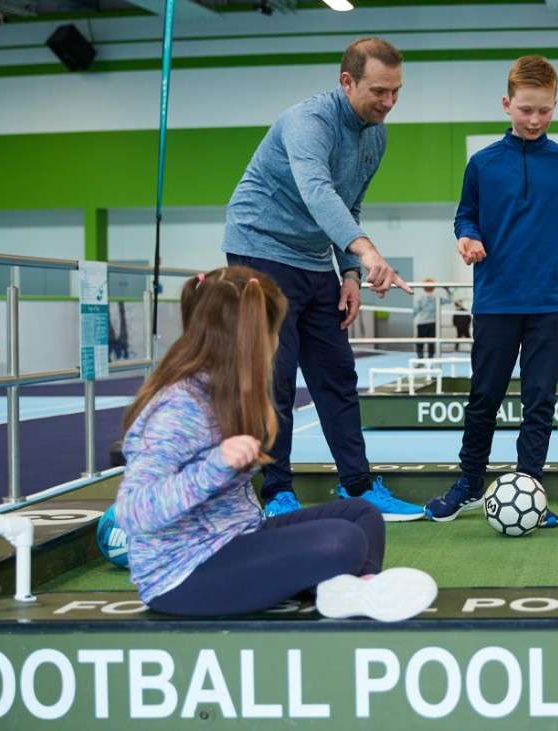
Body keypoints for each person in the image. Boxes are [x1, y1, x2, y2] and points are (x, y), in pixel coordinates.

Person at [114, 266, 437, 619]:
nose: (279, 341)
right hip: (183, 575)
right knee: (342, 542)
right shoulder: (180, 407)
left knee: (362, 514)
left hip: (236, 539)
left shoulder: (227, 391)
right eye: (273, 330)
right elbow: (133, 513)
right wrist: (213, 466)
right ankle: (345, 585)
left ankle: (354, 589)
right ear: (249, 335)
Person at [221, 37, 423, 521]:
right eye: (379, 91)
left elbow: (347, 204)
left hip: (314, 259)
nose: (389, 103)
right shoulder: (307, 122)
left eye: (396, 91)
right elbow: (316, 192)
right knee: (277, 378)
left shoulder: (376, 134)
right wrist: (367, 250)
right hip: (258, 250)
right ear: (346, 81)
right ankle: (276, 491)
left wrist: (350, 273)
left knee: (336, 374)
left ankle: (357, 484)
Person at [423, 55, 558, 527]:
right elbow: (464, 215)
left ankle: (530, 487)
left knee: (539, 400)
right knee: (484, 396)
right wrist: (468, 236)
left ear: (554, 106)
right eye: (526, 109)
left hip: (551, 301)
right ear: (507, 104)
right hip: (497, 300)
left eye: (544, 110)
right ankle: (468, 482)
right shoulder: (482, 164)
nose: (534, 120)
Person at [412, 278, 450, 358]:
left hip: (422, 323)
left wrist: (412, 317)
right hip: (432, 323)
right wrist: (447, 290)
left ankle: (420, 359)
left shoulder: (421, 298)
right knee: (431, 343)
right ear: (434, 287)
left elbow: (415, 310)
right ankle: (430, 360)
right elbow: (449, 300)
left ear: (423, 287)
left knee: (420, 343)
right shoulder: (437, 298)